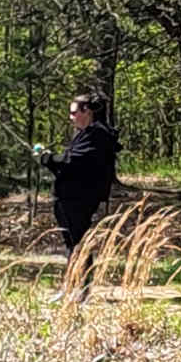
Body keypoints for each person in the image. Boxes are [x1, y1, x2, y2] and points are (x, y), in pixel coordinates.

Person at [51, 92, 119, 252]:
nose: (71, 117)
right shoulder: (87, 133)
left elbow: (72, 162)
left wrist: (48, 159)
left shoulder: (97, 134)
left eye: (74, 113)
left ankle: (80, 269)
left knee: (77, 245)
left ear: (87, 111)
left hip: (79, 200)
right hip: (73, 198)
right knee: (75, 245)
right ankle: (78, 269)